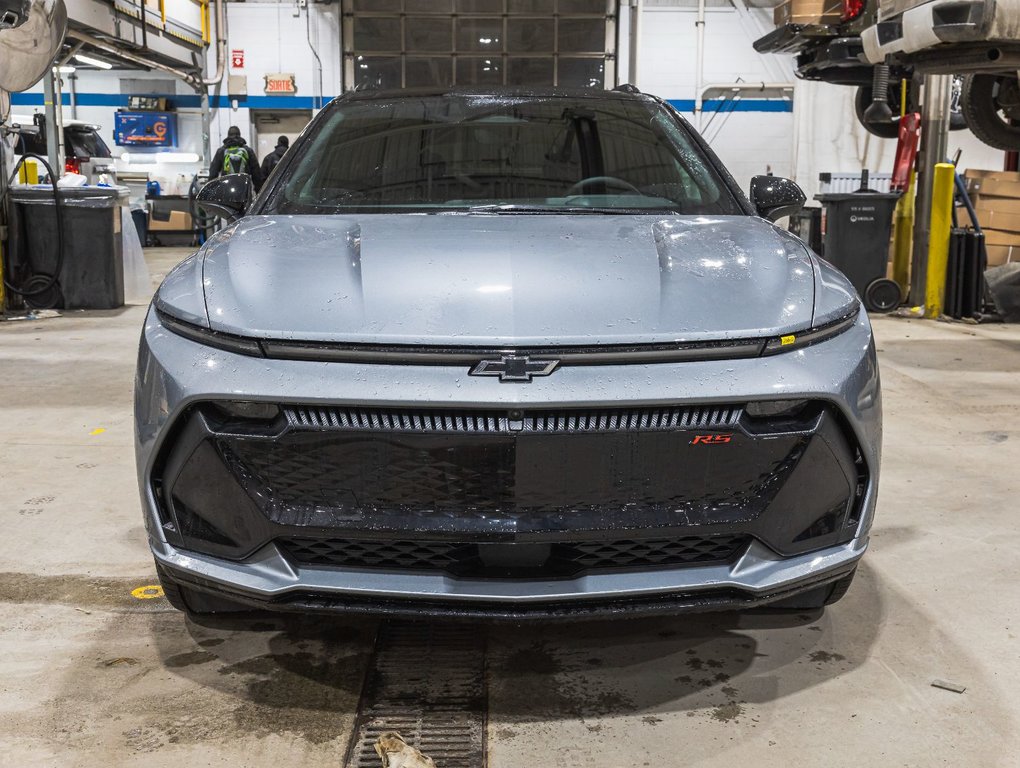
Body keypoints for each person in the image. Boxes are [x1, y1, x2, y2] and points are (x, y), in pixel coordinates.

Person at [209, 126, 263, 190]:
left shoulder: (221, 151)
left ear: (228, 135)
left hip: (226, 187)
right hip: (244, 187)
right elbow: (256, 173)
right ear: (239, 135)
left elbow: (213, 172)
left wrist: (211, 189)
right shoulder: (248, 150)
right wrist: (258, 190)